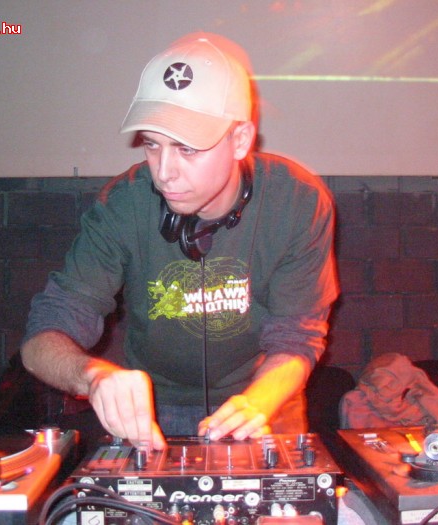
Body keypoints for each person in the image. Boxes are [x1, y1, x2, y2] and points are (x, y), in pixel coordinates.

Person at [20, 33, 339, 451]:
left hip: (266, 401)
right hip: (154, 411)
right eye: (153, 145)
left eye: (187, 149)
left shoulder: (297, 202)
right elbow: (42, 337)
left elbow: (296, 337)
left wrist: (257, 403)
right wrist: (92, 376)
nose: (164, 173)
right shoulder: (123, 205)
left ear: (240, 139)